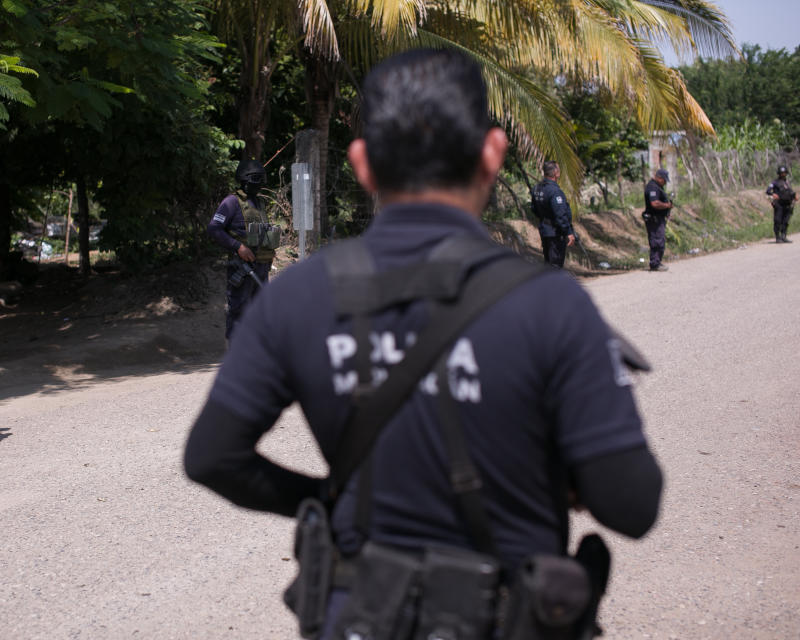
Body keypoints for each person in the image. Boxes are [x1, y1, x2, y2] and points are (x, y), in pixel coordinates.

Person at [184, 49, 662, 638]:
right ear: (492, 152)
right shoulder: (552, 305)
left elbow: (211, 456)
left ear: (362, 164)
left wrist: (331, 499)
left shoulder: (298, 297)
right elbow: (633, 505)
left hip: (359, 618)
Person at [207, 159, 276, 341]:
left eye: (261, 179)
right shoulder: (231, 202)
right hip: (242, 268)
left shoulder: (259, 203)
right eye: (256, 179)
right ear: (245, 180)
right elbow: (214, 228)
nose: (259, 184)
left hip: (261, 267)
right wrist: (238, 247)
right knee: (239, 311)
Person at [531, 160, 576, 267]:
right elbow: (560, 215)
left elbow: (534, 209)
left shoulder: (537, 189)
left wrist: (545, 219)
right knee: (555, 264)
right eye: (559, 169)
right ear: (556, 173)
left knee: (549, 263)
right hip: (555, 233)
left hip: (545, 231)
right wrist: (568, 232)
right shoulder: (555, 191)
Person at [643, 168, 673, 271]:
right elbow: (654, 203)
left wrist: (667, 211)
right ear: (659, 178)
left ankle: (657, 262)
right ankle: (655, 264)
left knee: (660, 240)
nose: (664, 183)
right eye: (664, 180)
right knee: (656, 241)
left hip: (658, 218)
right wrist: (667, 205)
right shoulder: (652, 187)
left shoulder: (657, 187)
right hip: (654, 219)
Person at [765, 165, 796, 243]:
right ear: (779, 173)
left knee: (785, 221)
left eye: (784, 173)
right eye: (782, 173)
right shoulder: (774, 182)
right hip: (779, 204)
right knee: (778, 220)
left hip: (787, 204)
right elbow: (768, 191)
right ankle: (777, 237)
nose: (783, 174)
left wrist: (795, 197)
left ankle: (784, 236)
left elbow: (791, 192)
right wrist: (773, 194)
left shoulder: (787, 182)